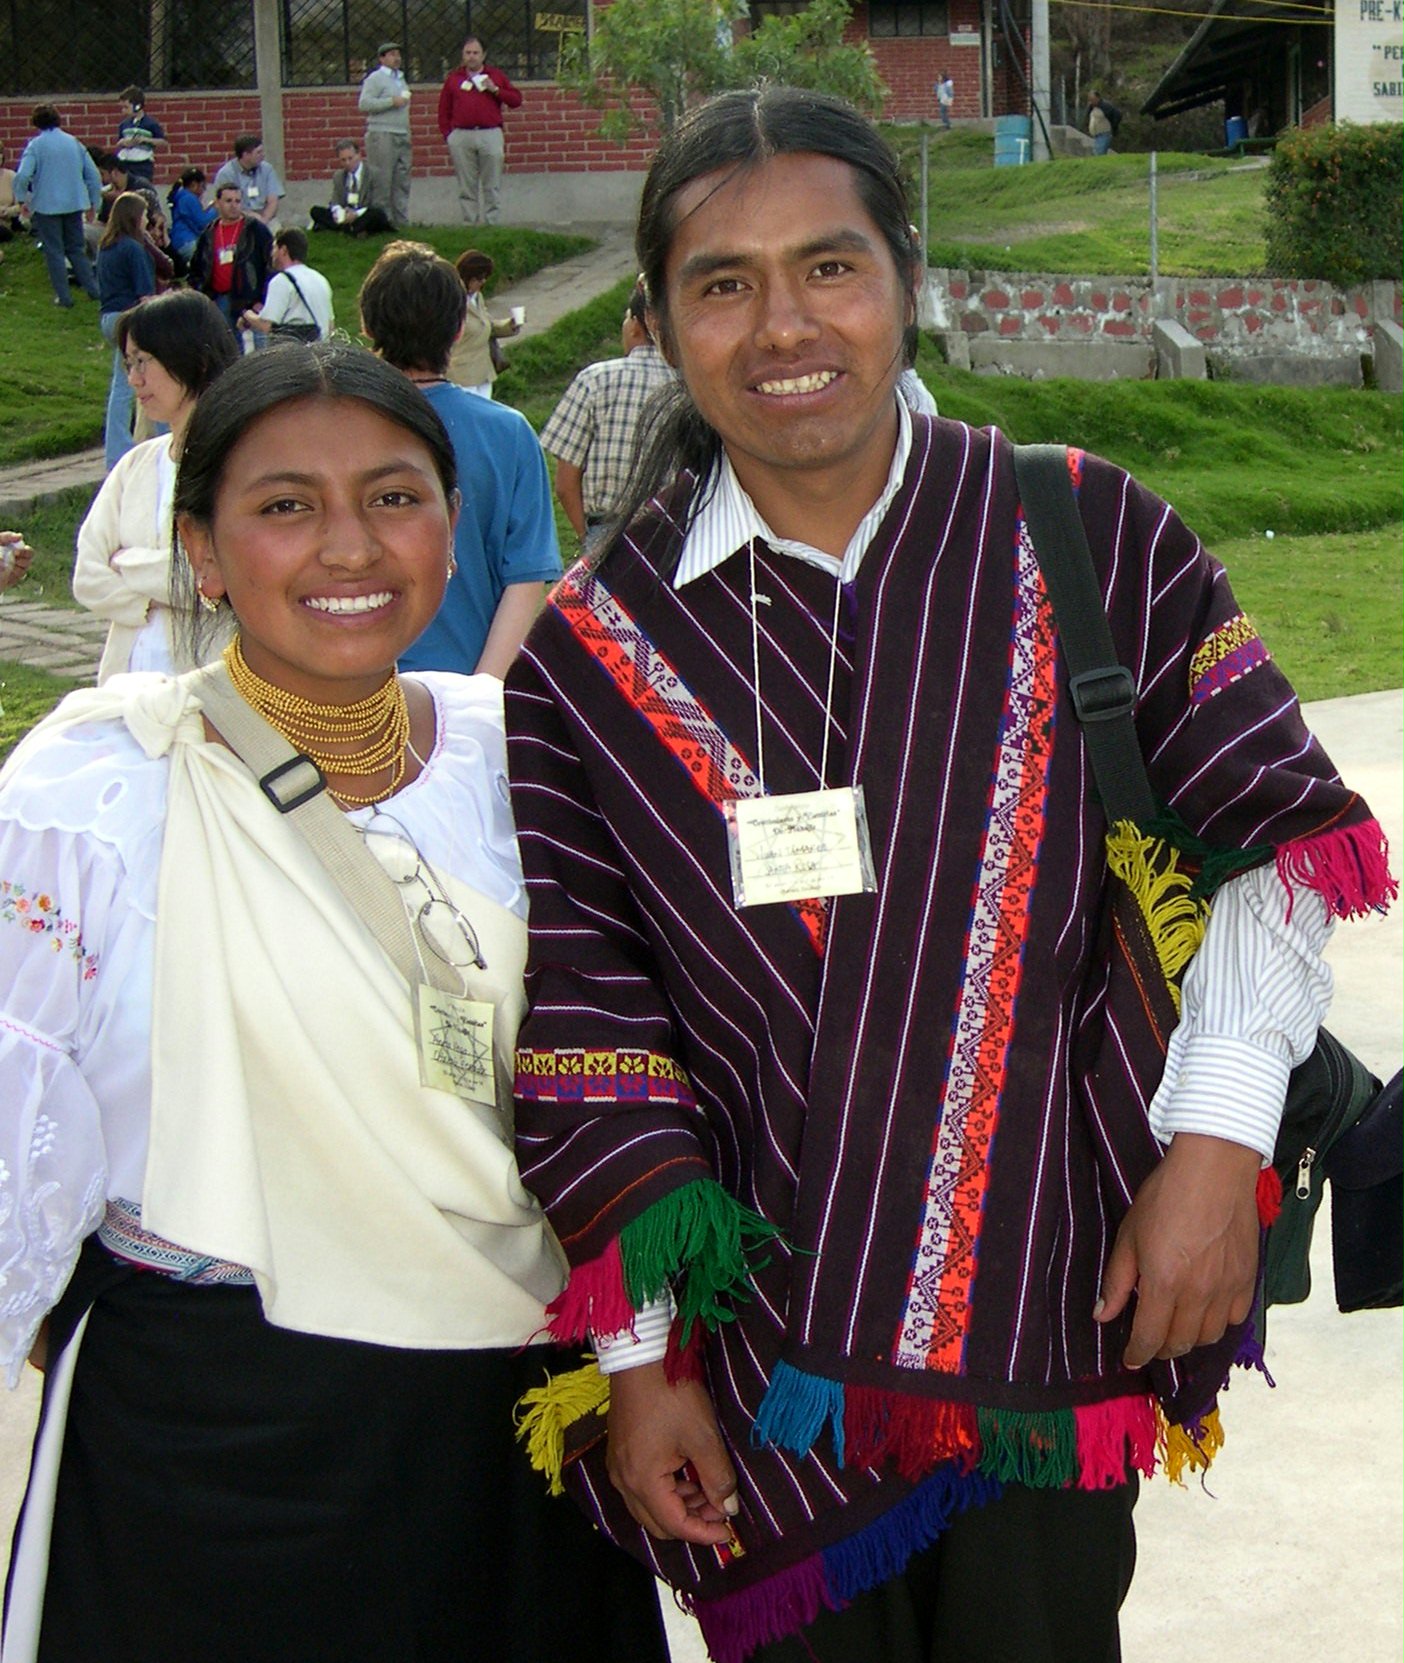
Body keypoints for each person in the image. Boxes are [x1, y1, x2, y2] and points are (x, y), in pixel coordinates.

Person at [503, 87, 1396, 1663]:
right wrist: (639, 1357)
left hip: (1059, 1290)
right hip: (763, 1364)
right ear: (657, 323)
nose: (785, 324)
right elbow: (596, 1026)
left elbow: (1270, 847)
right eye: (724, 283)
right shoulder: (591, 649)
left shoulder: (1085, 525)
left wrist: (1215, 1148)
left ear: (908, 279)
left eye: (830, 267)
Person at [0, 341, 671, 1663]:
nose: (349, 545)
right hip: (210, 1429)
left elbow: (622, 1076)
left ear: (450, 521)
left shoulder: (519, 757)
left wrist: (645, 1353)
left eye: (394, 496)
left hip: (513, 1421)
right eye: (285, 504)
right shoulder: (91, 792)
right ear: (202, 548)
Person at [357, 241, 560, 677]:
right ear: (457, 331)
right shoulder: (508, 433)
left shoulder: (332, 429)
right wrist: (482, 694)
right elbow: (525, 580)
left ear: (367, 326)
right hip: (463, 684)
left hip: (347, 690)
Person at [73, 290, 238, 681]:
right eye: (129, 364)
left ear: (193, 360)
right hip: (126, 687)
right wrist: (158, 595)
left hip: (211, 689)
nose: (134, 379)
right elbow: (87, 575)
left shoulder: (239, 466)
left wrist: (127, 564)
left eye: (143, 361)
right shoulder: (136, 466)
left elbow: (226, 578)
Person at [539, 282, 675, 540]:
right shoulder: (688, 388)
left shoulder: (595, 380)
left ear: (636, 325)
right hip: (670, 534)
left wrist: (585, 537)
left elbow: (566, 484)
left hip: (604, 530)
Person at [12, 105, 102, 307]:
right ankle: (93, 290)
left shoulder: (35, 145)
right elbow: (93, 175)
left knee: (54, 251)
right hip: (74, 202)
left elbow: (23, 175)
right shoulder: (74, 143)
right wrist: (94, 203)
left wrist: (21, 199)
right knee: (76, 249)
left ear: (36, 123)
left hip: (46, 205)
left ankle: (64, 297)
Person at [96, 192, 157, 469]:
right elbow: (145, 294)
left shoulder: (106, 246)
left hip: (109, 316)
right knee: (149, 377)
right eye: (144, 215)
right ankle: (157, 440)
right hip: (131, 316)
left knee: (121, 384)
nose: (146, 220)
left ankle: (116, 449)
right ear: (135, 217)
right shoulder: (134, 248)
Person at [437, 36, 521, 225]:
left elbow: (516, 100)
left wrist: (496, 90)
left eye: (475, 53)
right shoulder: (454, 79)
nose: (472, 57)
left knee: (492, 184)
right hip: (462, 136)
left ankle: (492, 223)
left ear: (483, 55)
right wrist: (449, 135)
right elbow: (444, 110)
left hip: (490, 134)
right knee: (467, 186)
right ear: (463, 55)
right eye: (468, 53)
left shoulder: (495, 76)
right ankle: (470, 224)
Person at [188, 182, 274, 335]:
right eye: (228, 201)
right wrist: (204, 294)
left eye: (237, 201)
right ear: (217, 203)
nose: (234, 205)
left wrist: (263, 298)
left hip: (252, 300)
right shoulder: (209, 233)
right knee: (230, 347)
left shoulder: (255, 229)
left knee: (262, 347)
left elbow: (271, 264)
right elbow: (197, 268)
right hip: (220, 298)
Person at [446, 248, 519, 398]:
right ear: (467, 277)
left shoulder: (477, 297)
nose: (483, 282)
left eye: (485, 277)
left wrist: (509, 326)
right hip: (462, 375)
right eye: (479, 278)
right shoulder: (451, 301)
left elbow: (486, 324)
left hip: (483, 372)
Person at [240, 228, 334, 342]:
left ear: (283, 250)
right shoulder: (320, 279)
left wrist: (247, 315)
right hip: (322, 352)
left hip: (295, 354)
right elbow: (330, 325)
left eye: (274, 248)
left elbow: (266, 325)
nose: (271, 254)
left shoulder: (282, 281)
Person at [359, 42, 413, 227]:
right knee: (382, 180)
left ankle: (401, 222)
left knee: (402, 180)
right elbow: (364, 104)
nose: (396, 58)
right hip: (382, 134)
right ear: (382, 58)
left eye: (398, 54)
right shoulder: (375, 78)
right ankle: (382, 222)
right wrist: (391, 101)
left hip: (402, 133)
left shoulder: (401, 78)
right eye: (391, 54)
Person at [309, 139, 396, 236]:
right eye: (343, 160)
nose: (347, 163)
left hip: (364, 213)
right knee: (315, 211)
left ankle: (342, 228)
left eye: (350, 158)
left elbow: (379, 204)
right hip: (346, 214)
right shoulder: (339, 176)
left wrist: (356, 214)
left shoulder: (374, 174)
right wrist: (339, 212)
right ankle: (351, 229)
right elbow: (335, 201)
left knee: (377, 215)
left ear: (359, 155)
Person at [212, 134, 282, 225]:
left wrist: (264, 220)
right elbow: (223, 204)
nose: (262, 155)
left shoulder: (267, 169)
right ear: (246, 155)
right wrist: (250, 217)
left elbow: (273, 200)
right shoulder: (226, 174)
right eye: (258, 152)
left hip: (265, 217)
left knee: (278, 233)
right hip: (238, 218)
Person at [114, 87, 167, 185]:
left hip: (143, 164)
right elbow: (119, 142)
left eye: (126, 107)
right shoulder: (124, 124)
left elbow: (163, 142)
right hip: (126, 163)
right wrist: (124, 143)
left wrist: (145, 140)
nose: (123, 111)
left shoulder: (150, 123)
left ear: (137, 106)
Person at [1088, 90, 1121, 155]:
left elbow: (1118, 114)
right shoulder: (1091, 107)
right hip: (1096, 135)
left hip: (1104, 134)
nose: (1091, 101)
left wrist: (1114, 127)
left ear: (1098, 98)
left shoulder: (1105, 105)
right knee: (1096, 154)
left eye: (1093, 99)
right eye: (1090, 99)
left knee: (1098, 154)